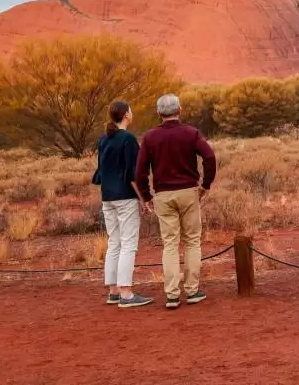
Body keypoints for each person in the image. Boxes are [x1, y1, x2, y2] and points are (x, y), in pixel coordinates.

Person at [136, 93, 217, 309]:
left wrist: (146, 196)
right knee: (192, 241)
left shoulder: (150, 137)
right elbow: (209, 157)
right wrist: (206, 185)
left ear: (159, 113)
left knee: (170, 244)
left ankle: (172, 294)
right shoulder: (191, 133)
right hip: (189, 192)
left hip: (163, 195)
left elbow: (140, 170)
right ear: (179, 110)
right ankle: (192, 290)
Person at [92, 100, 153, 309]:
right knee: (128, 244)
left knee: (114, 242)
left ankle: (113, 291)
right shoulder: (127, 139)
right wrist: (143, 198)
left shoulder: (104, 138)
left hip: (107, 196)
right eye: (131, 110)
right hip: (125, 197)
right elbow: (133, 174)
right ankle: (126, 293)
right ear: (126, 114)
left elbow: (100, 170)